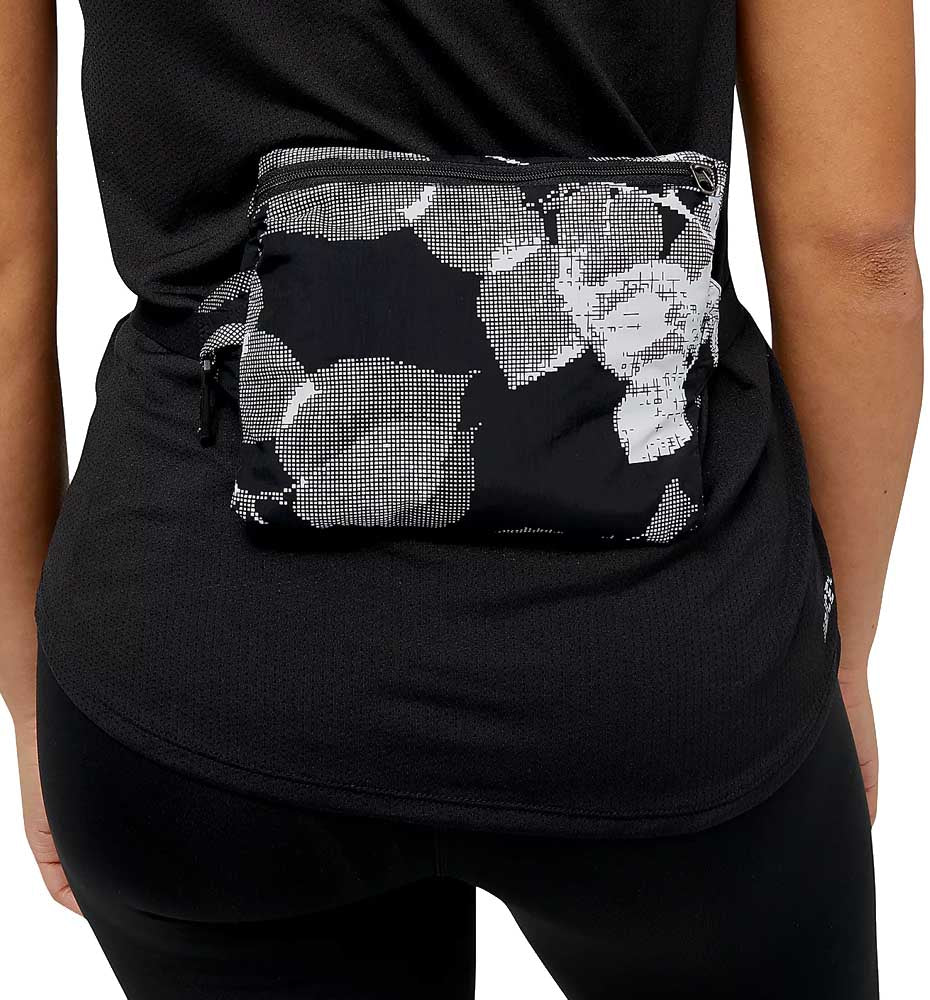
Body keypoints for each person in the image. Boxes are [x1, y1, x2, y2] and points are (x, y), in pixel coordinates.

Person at [0, 1, 922, 996]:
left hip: (193, 650)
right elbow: (857, 250)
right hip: (669, 668)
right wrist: (835, 645)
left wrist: (25, 681)